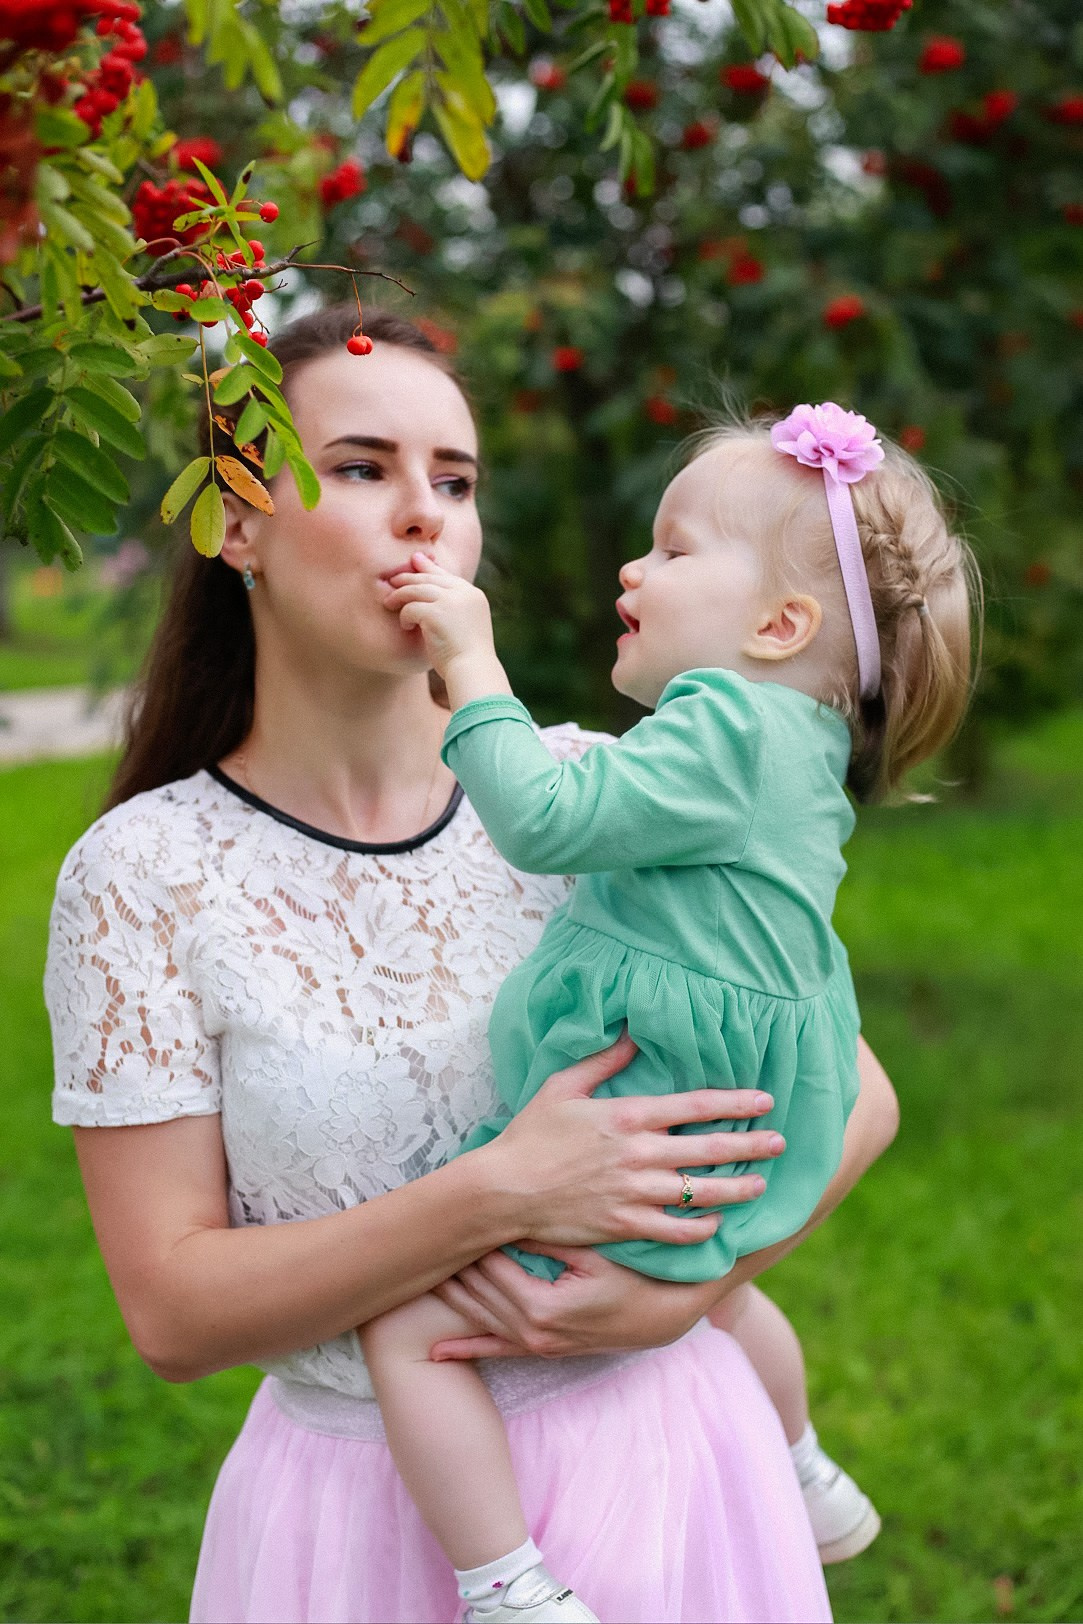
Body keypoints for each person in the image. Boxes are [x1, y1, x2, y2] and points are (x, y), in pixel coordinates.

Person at [44, 308, 901, 1624]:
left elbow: (855, 1088)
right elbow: (168, 1312)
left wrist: (682, 1297)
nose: (423, 517)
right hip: (361, 1520)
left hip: (673, 1462)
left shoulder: (575, 791)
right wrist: (503, 1189)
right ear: (236, 524)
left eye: (453, 481)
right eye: (359, 467)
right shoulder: (143, 877)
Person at [358, 403, 977, 1621]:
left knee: (403, 1320)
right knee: (725, 1293)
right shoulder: (793, 738)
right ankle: (803, 1467)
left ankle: (503, 1585)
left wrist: (473, 668)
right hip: (750, 1099)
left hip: (653, 1089)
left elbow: (544, 816)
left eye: (677, 549)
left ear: (780, 625)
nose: (635, 568)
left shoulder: (725, 722)